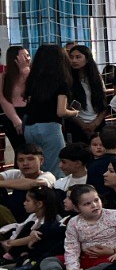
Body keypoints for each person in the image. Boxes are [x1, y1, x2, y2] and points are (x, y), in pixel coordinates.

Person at [22, 43, 73, 175]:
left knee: (38, 168)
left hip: (29, 127)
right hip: (50, 127)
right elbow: (61, 111)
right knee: (56, 168)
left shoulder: (32, 80)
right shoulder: (61, 81)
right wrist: (74, 112)